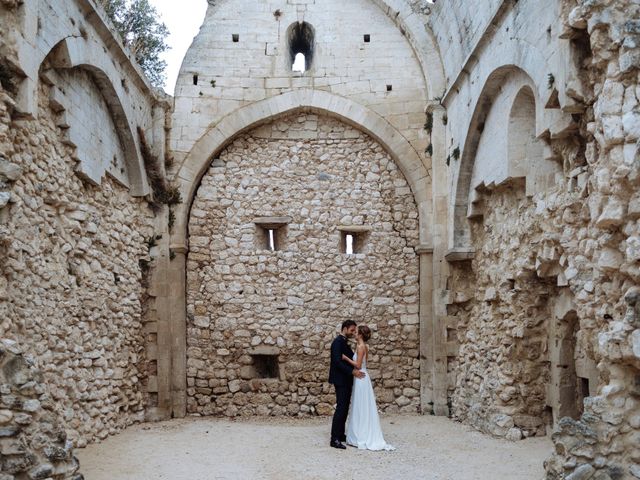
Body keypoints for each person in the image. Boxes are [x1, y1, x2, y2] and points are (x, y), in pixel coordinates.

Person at [342, 325, 395, 451]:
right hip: (362, 378)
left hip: (361, 378)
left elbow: (359, 365)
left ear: (360, 335)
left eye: (356, 332)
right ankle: (359, 433)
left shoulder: (361, 347)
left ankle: (362, 435)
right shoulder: (363, 346)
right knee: (360, 405)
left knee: (361, 405)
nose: (354, 334)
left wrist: (346, 358)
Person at [328, 320, 365, 449]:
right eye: (352, 330)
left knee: (344, 408)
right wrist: (353, 371)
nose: (353, 332)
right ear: (344, 328)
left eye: (355, 331)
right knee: (341, 408)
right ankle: (334, 439)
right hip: (340, 380)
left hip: (345, 379)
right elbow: (338, 362)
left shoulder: (344, 342)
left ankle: (340, 433)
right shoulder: (337, 343)